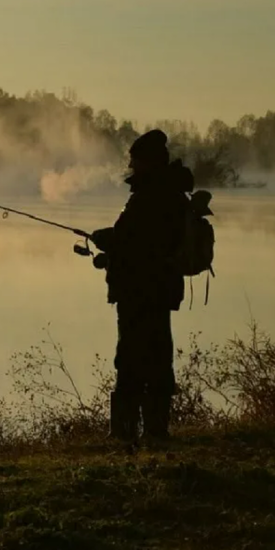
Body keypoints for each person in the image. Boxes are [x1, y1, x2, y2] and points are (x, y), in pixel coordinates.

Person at [90, 129, 194, 447]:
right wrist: (110, 254)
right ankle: (154, 431)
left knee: (132, 360)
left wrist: (109, 241)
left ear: (147, 161)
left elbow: (139, 244)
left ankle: (125, 434)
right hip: (157, 290)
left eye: (135, 159)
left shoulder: (152, 196)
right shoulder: (167, 193)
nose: (131, 164)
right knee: (157, 358)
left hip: (142, 293)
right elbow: (142, 245)